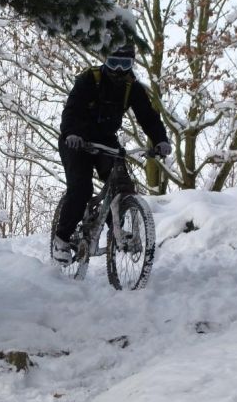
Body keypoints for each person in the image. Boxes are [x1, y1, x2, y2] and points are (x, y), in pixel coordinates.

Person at [53, 43, 171, 264]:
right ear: (104, 60)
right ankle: (62, 239)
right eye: (113, 62)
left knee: (121, 185)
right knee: (81, 188)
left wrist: (161, 140)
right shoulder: (89, 79)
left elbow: (148, 117)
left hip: (106, 141)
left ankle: (117, 230)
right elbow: (71, 110)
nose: (118, 70)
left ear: (131, 64)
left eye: (124, 64)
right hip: (76, 139)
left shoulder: (132, 87)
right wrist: (72, 133)